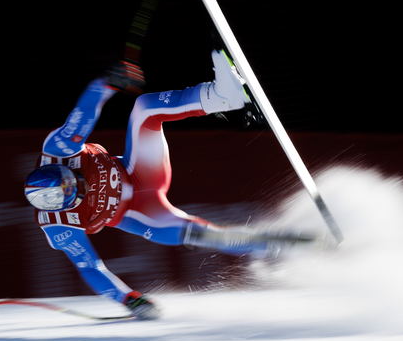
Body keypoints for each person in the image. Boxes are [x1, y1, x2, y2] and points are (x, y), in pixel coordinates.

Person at [24, 50, 300, 320]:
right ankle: (272, 245)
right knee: (198, 234)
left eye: (76, 180)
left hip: (139, 169)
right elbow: (90, 267)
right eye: (77, 194)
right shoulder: (58, 225)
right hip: (139, 212)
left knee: (145, 108)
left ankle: (221, 97)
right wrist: (129, 300)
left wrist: (106, 83)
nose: (82, 186)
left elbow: (83, 114)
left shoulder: (58, 149)